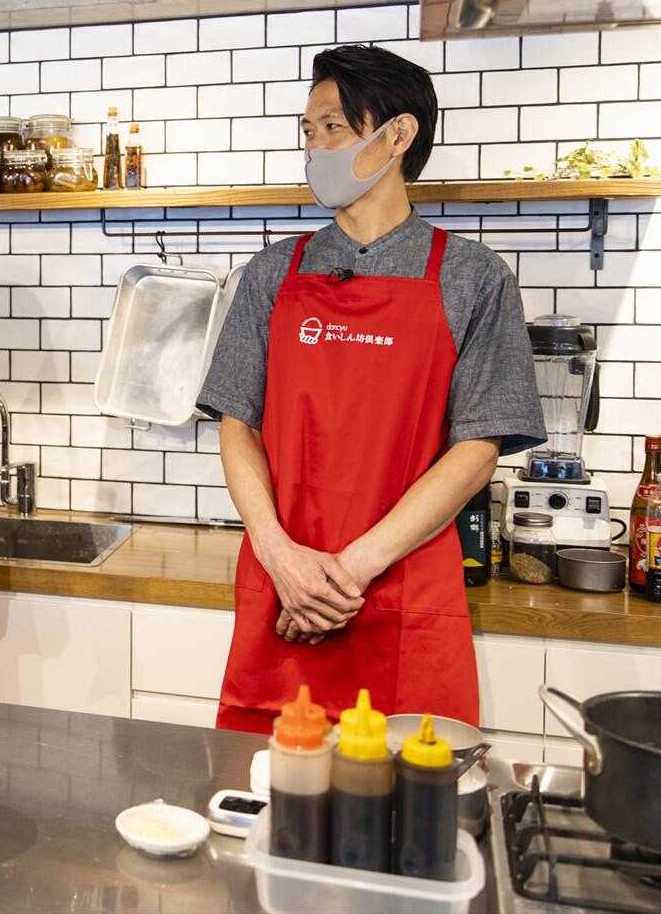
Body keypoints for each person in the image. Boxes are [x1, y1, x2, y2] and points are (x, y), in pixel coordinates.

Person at [195, 45, 545, 733]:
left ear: (399, 134)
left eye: (333, 126)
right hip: (281, 585)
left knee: (407, 815)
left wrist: (350, 571)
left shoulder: (473, 277)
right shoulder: (272, 273)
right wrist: (281, 557)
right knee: (262, 803)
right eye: (308, 131)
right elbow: (237, 422)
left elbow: (477, 447)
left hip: (400, 594)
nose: (315, 146)